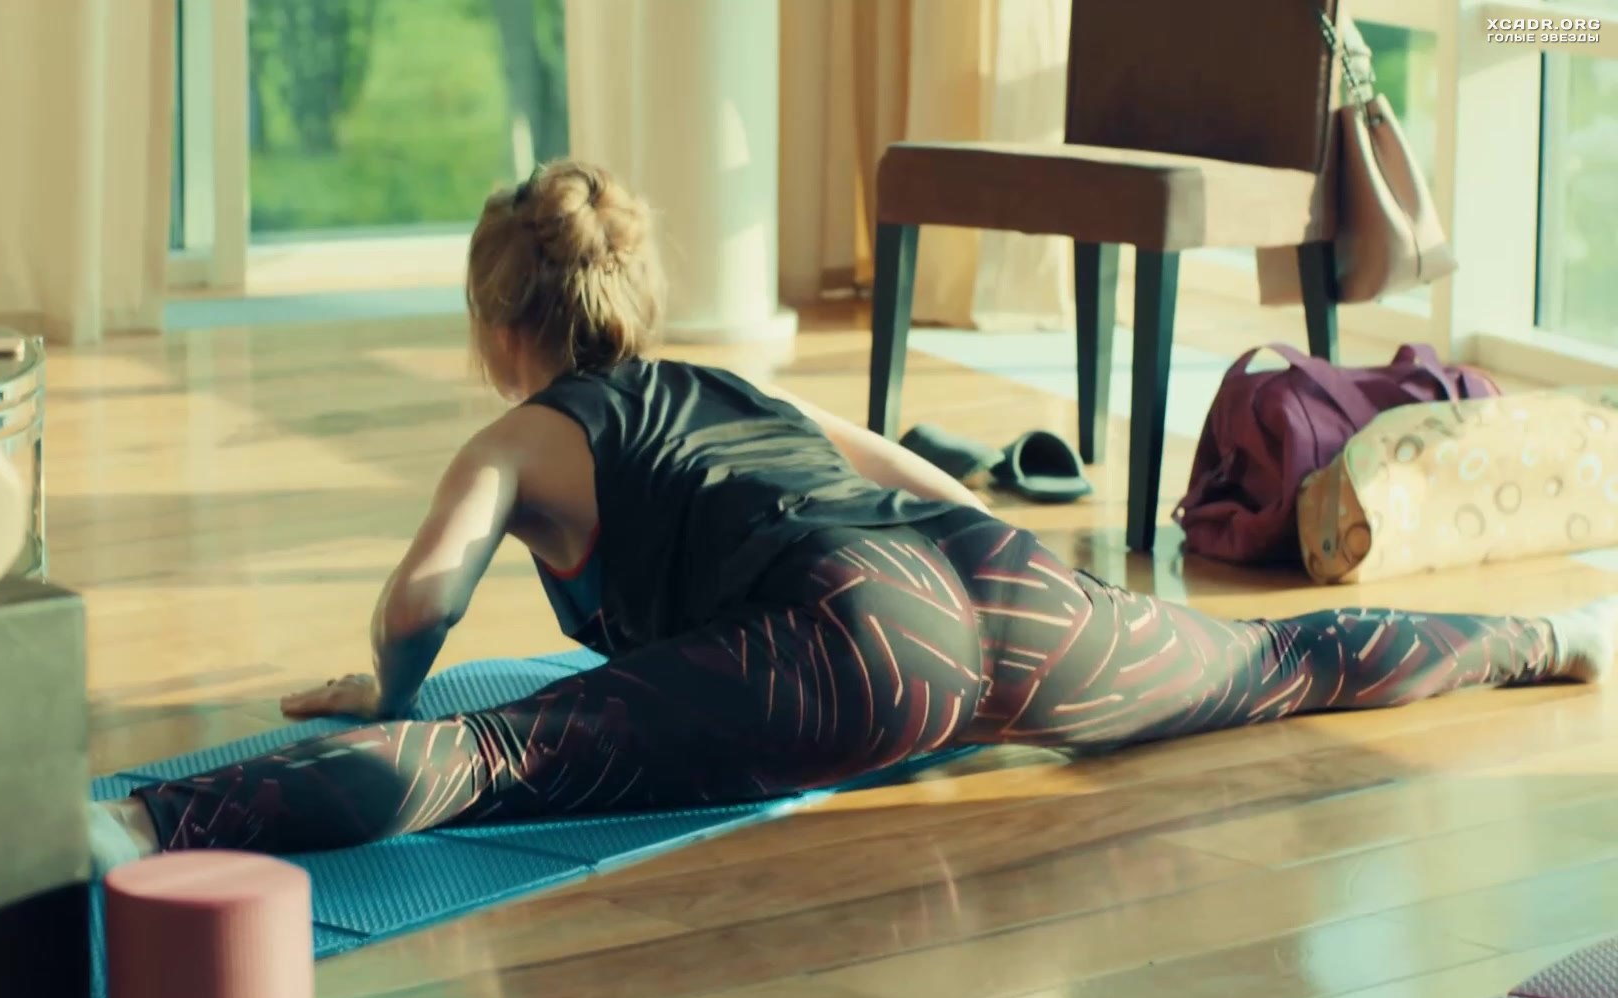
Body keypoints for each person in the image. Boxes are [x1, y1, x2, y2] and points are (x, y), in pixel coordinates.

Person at [88, 160, 1616, 868]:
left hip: (855, 646)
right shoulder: (734, 388)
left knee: (490, 758)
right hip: (1008, 596)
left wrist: (387, 682)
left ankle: (144, 823)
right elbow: (919, 476)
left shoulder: (518, 437)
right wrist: (1064, 593)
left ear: (499, 326)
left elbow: (427, 596)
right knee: (1274, 667)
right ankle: (1548, 637)